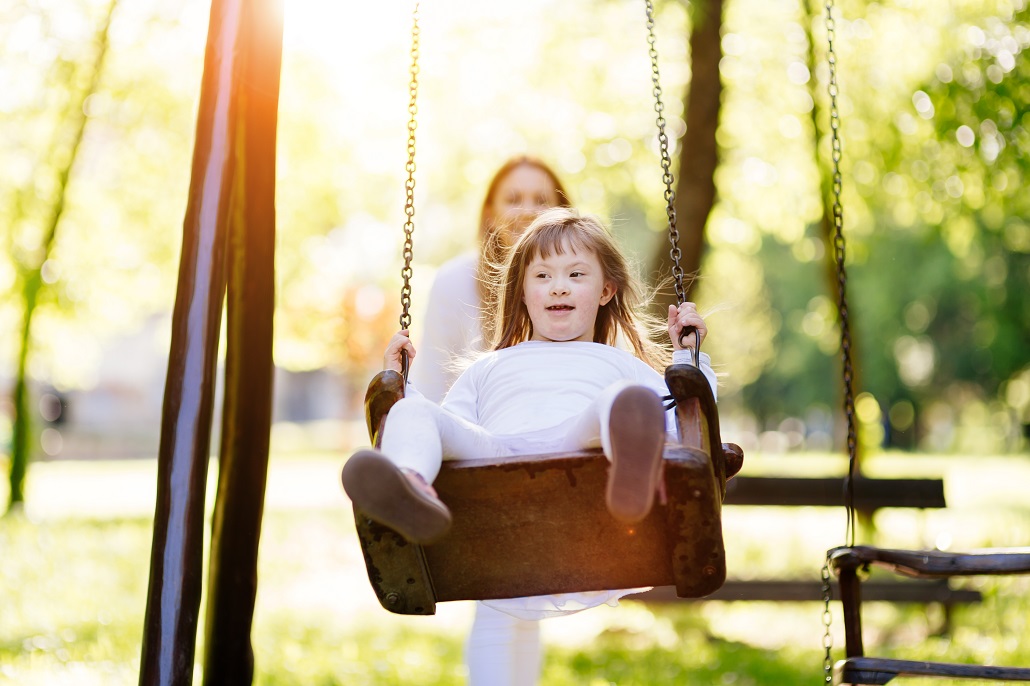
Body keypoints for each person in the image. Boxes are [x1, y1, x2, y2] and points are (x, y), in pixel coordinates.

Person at [343, 208, 717, 686]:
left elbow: (688, 415)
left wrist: (689, 355)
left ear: (606, 291)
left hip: (580, 448)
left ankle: (629, 477)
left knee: (627, 401)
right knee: (413, 416)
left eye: (575, 275)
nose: (558, 286)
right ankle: (409, 490)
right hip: (494, 454)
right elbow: (449, 428)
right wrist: (405, 389)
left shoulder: (618, 364)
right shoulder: (489, 368)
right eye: (543, 276)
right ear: (523, 290)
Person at [409, 156, 571, 403]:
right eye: (512, 200)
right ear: (490, 214)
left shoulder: (583, 280)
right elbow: (430, 384)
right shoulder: (454, 281)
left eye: (541, 201)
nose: (528, 212)